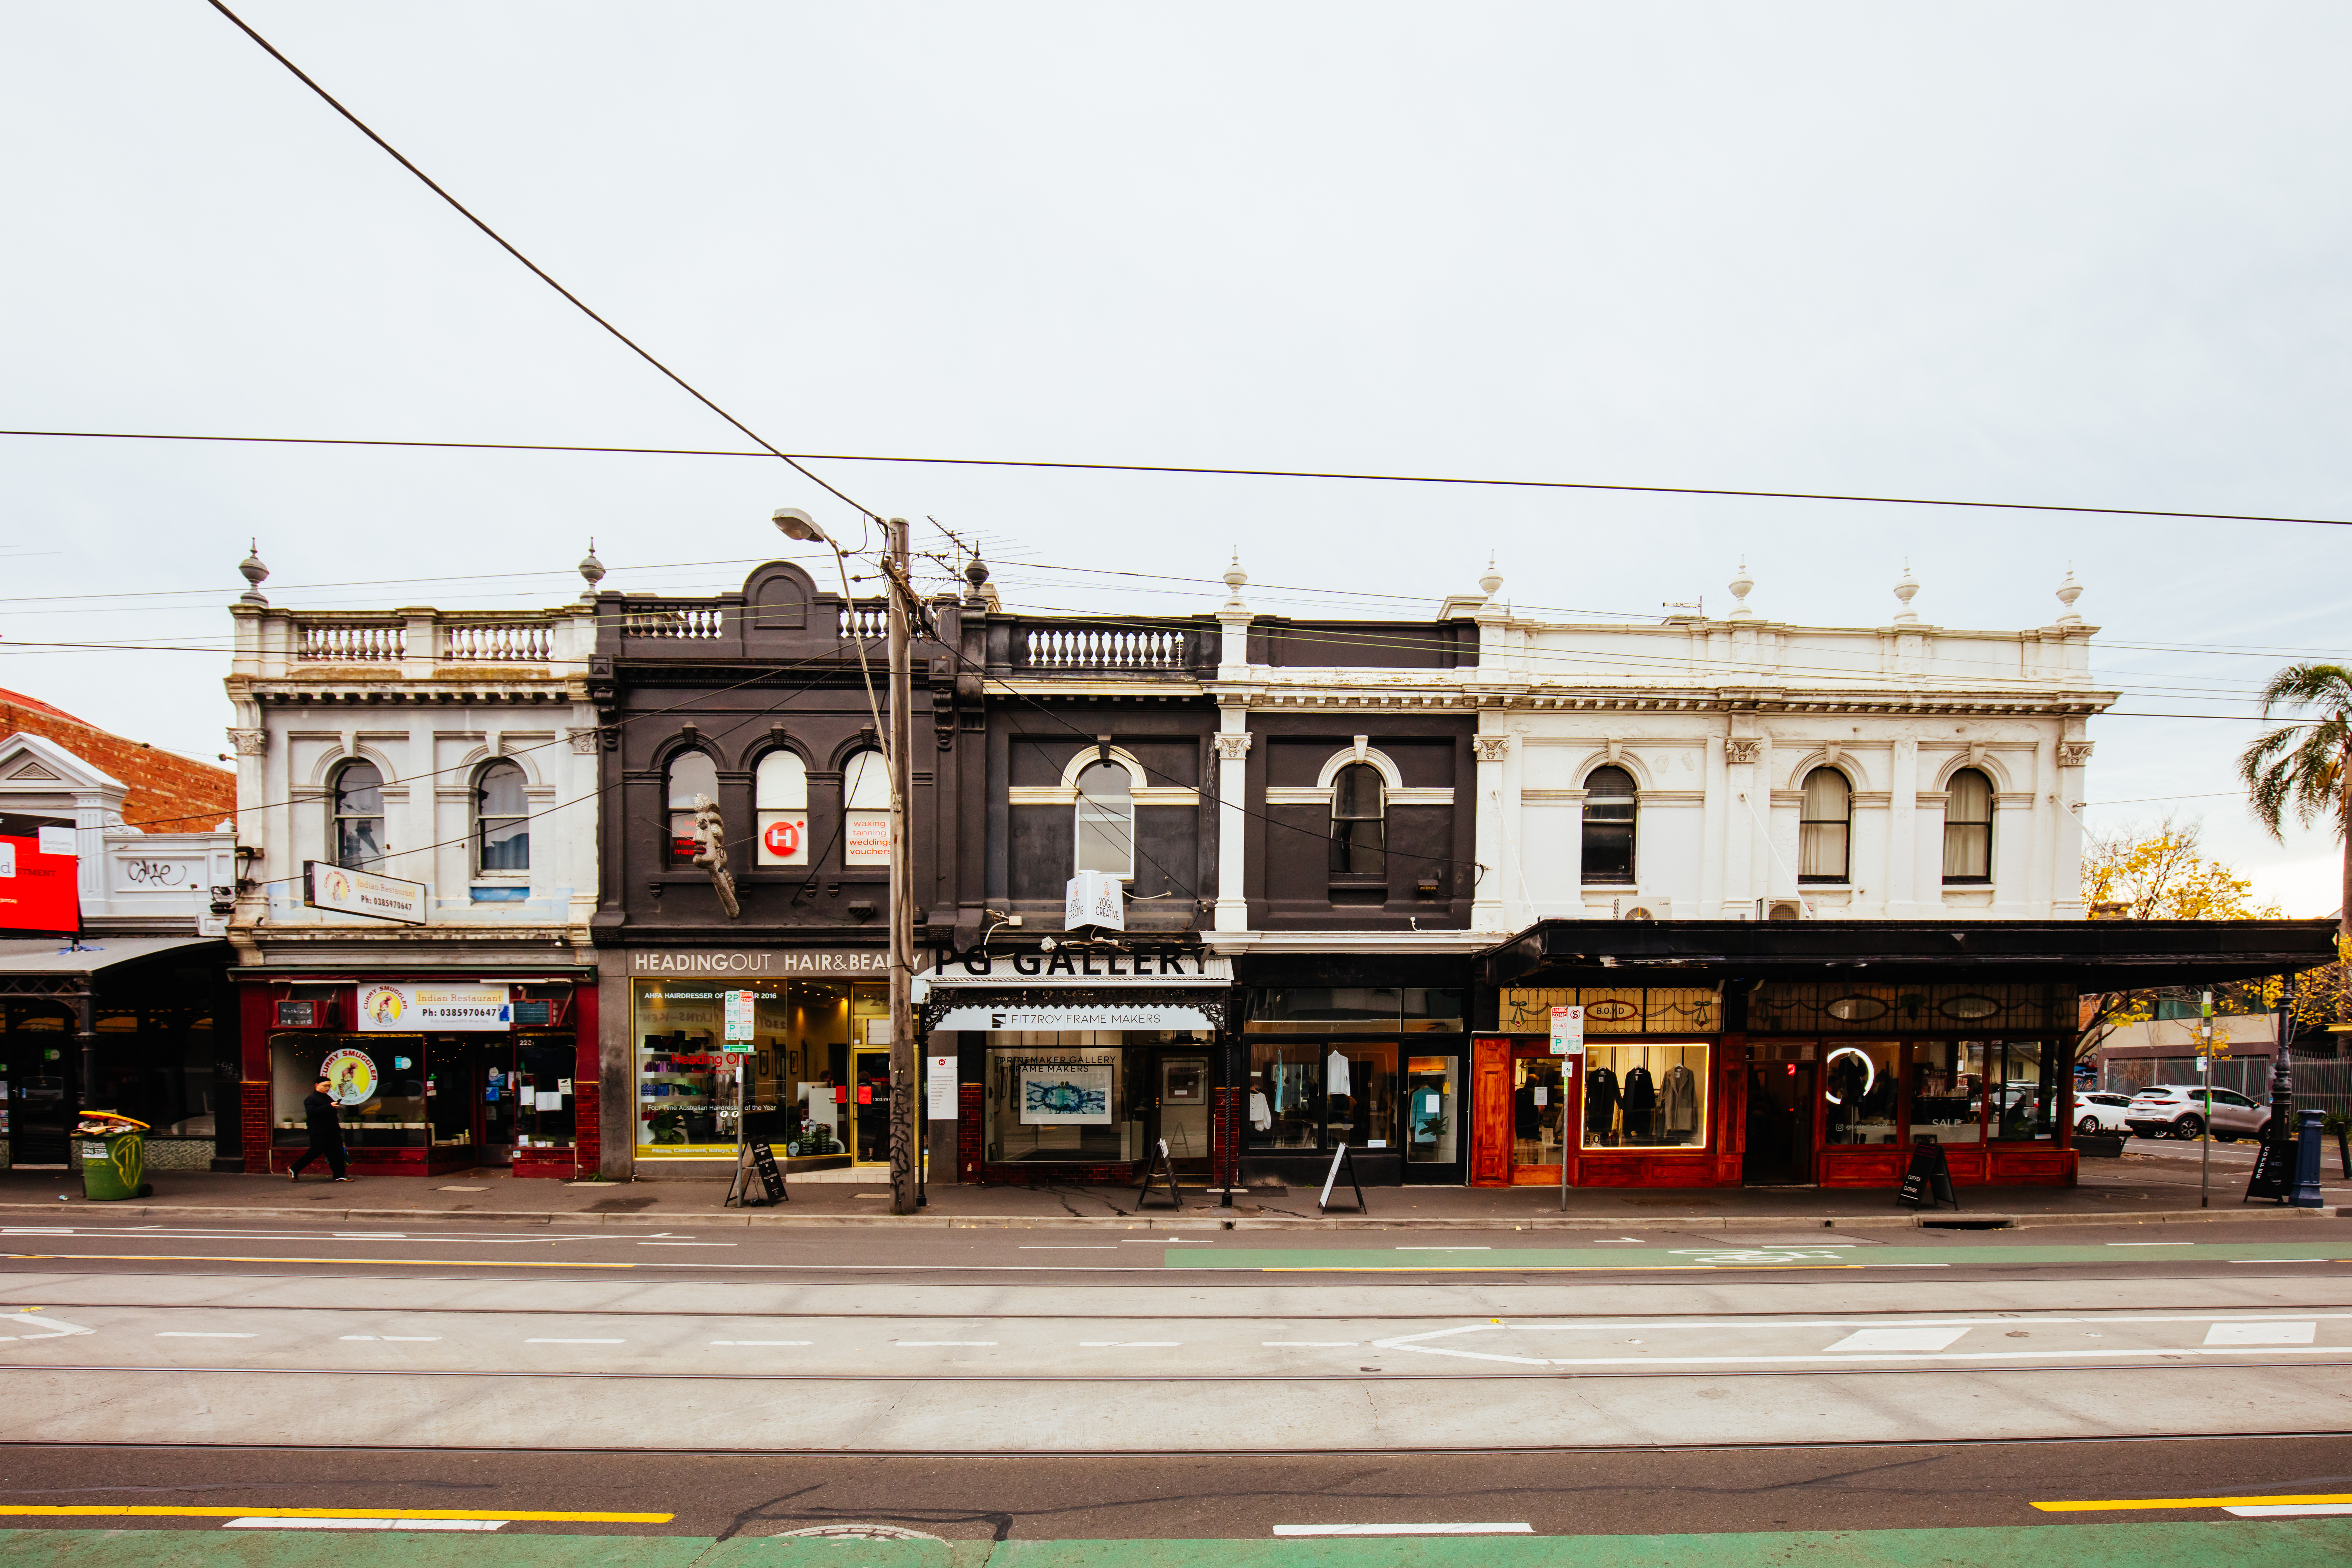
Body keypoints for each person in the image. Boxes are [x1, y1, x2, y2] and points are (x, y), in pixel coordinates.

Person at [289, 1076, 350, 1182]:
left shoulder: (327, 1097)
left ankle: (339, 1175)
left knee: (337, 1153)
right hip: (319, 1132)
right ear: (317, 1086)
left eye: (329, 1086)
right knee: (314, 1152)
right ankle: (294, 1169)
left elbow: (332, 1116)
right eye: (325, 1086)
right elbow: (312, 1112)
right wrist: (330, 1106)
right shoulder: (311, 1099)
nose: (328, 1088)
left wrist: (338, 1131)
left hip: (333, 1132)